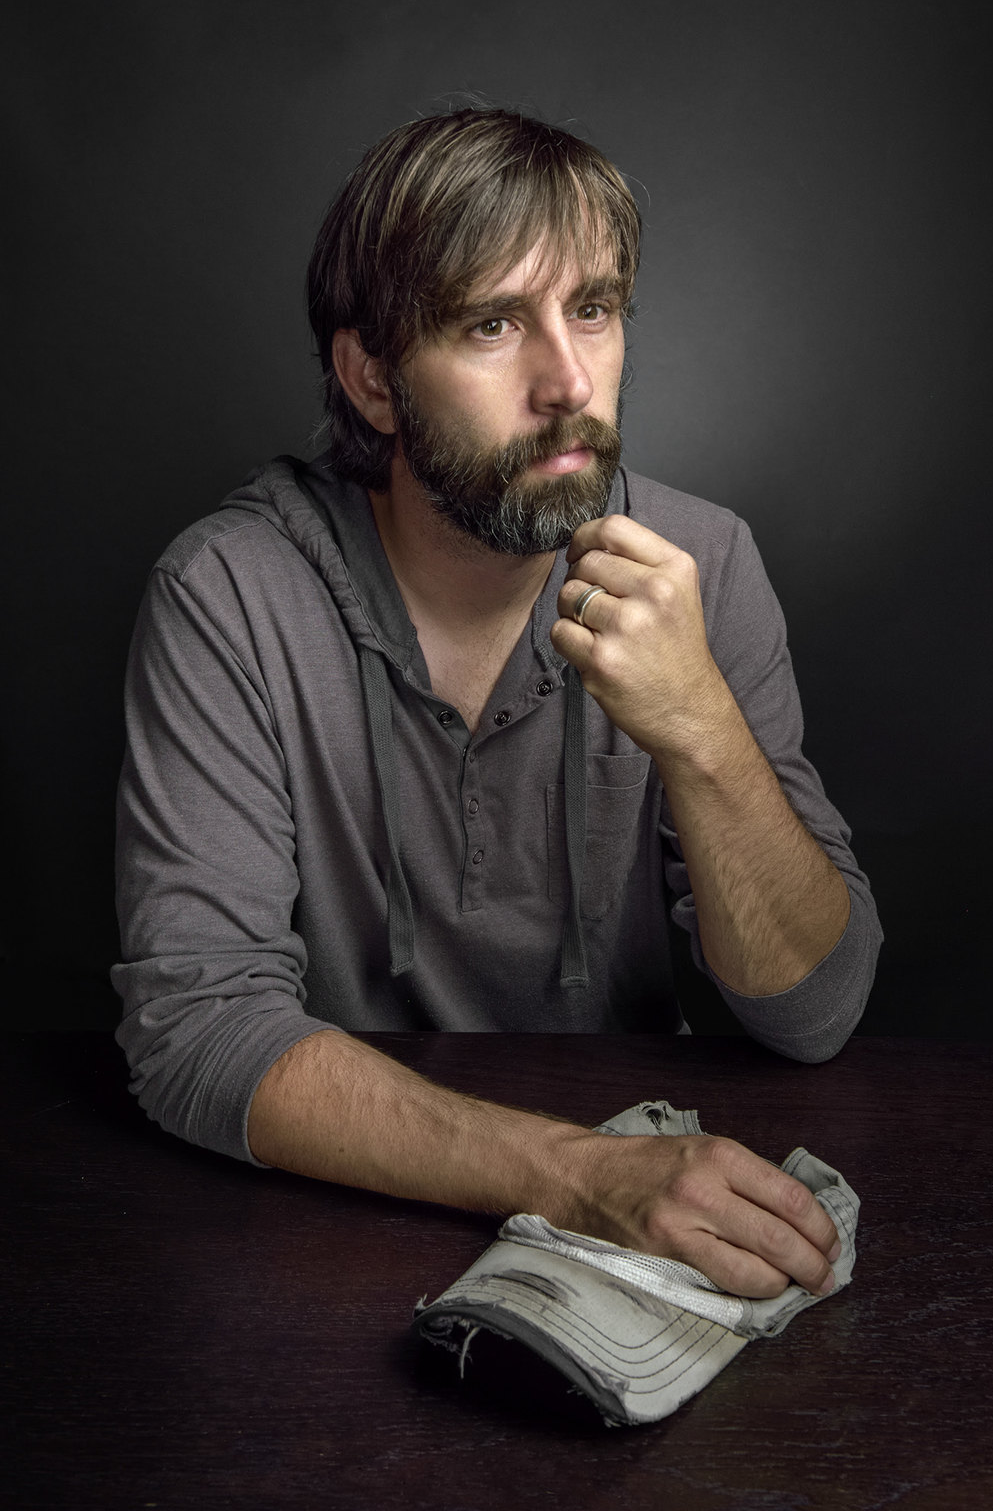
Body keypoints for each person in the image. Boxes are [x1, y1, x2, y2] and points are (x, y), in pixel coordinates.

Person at [113, 108, 881, 1301]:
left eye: (594, 308)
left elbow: (815, 1014)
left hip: (664, 1230)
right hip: (335, 1220)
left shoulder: (702, 563)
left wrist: (701, 730)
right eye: (490, 324)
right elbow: (196, 1032)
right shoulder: (230, 593)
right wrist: (576, 1174)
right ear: (371, 376)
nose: (567, 380)